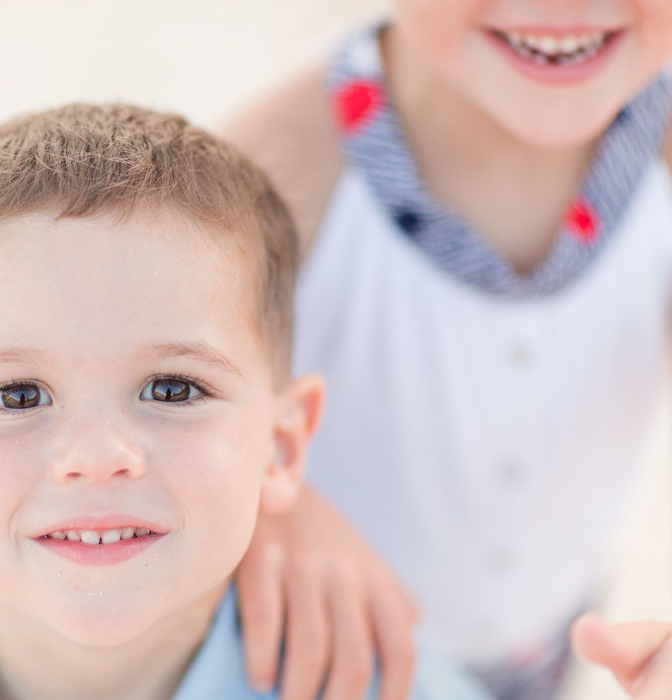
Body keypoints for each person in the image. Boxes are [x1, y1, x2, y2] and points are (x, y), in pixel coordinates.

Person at [0, 103, 488, 699]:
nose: (99, 457)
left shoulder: (389, 686)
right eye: (16, 395)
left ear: (282, 444)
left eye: (172, 389)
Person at [222, 2, 672, 699]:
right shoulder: (272, 167)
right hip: (327, 658)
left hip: (548, 648)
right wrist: (266, 511)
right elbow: (137, 395)